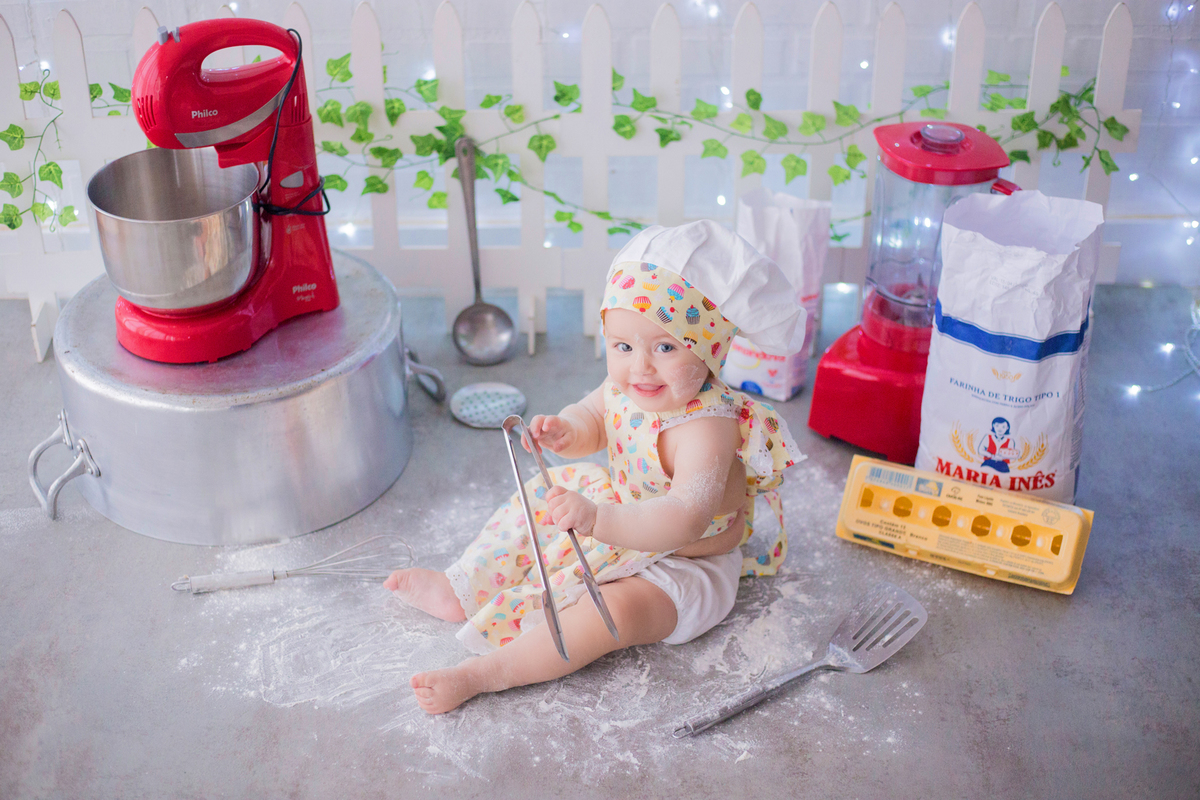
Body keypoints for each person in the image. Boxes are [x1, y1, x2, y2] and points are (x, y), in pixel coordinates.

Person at [385, 221, 808, 714]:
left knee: (617, 610)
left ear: (709, 348)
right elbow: (594, 417)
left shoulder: (705, 426)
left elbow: (685, 517)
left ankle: (489, 672)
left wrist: (597, 521)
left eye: (666, 346)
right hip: (619, 513)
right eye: (623, 347)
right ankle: (463, 585)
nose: (640, 367)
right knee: (538, 506)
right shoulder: (627, 385)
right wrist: (567, 430)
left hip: (688, 560)